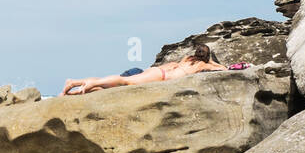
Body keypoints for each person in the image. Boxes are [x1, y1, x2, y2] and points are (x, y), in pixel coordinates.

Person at [61, 44, 253, 95]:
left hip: (157, 72)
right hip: (160, 77)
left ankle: (78, 84)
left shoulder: (187, 58)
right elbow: (224, 68)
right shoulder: (203, 65)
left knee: (120, 84)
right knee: (126, 81)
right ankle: (90, 83)